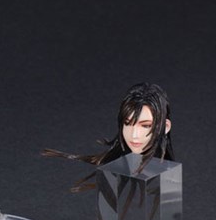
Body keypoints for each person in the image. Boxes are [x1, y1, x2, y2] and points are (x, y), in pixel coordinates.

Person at [43, 82, 174, 192]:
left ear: (165, 127)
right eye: (127, 124)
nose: (134, 135)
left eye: (145, 126)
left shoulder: (165, 175)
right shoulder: (116, 170)